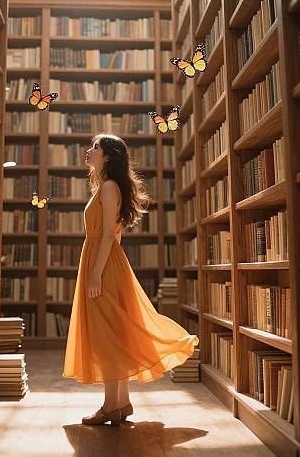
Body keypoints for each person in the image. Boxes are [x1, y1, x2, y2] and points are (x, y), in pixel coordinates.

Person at [62, 133, 199, 426]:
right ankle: (122, 402)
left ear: (108, 155)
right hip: (103, 261)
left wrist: (96, 273)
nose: (88, 151)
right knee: (114, 332)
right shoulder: (104, 186)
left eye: (94, 147)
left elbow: (110, 235)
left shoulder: (109, 187)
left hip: (104, 264)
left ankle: (110, 406)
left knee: (107, 335)